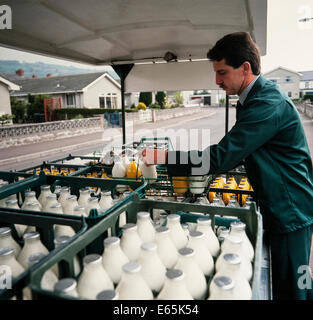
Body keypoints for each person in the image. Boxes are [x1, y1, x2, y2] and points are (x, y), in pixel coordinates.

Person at [141, 32, 313, 300]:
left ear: (245, 68)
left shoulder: (267, 103)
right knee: (282, 284)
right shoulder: (254, 99)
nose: (217, 81)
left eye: (222, 72)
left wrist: (165, 158)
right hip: (280, 204)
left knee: (296, 287)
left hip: (291, 211)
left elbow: (220, 158)